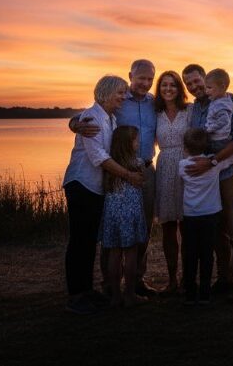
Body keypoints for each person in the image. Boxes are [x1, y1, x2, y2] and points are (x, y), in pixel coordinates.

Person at [70, 59, 158, 297]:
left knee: (143, 227)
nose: (146, 83)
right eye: (141, 78)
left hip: (146, 170)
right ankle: (109, 286)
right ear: (131, 76)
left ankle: (136, 281)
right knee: (111, 229)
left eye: (150, 78)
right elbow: (90, 113)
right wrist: (74, 123)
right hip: (116, 172)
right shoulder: (118, 100)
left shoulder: (155, 103)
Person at [62, 75, 142, 315]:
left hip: (96, 187)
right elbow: (98, 157)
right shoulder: (91, 117)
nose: (124, 97)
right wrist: (129, 176)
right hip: (81, 183)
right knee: (79, 241)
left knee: (89, 241)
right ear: (106, 92)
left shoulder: (111, 119)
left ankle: (86, 290)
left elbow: (115, 151)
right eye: (120, 92)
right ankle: (76, 296)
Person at [181, 64, 233, 302]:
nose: (193, 86)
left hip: (230, 171)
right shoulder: (193, 110)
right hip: (207, 177)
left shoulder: (231, 100)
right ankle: (224, 280)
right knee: (216, 232)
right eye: (188, 84)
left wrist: (212, 162)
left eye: (196, 81)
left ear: (205, 78)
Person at [153, 70, 192, 295]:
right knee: (168, 226)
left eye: (173, 85)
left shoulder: (190, 111)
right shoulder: (154, 112)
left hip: (186, 166)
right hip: (165, 164)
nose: (168, 89)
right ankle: (172, 279)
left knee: (187, 225)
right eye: (164, 85)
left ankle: (188, 278)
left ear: (179, 89)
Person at [100, 125, 148, 308]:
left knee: (114, 253)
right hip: (130, 213)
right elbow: (141, 183)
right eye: (136, 140)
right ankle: (129, 295)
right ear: (128, 144)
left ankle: (115, 296)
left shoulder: (110, 165)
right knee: (131, 253)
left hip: (113, 213)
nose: (138, 143)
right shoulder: (137, 164)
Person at [178, 128, 221, 305]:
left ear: (185, 148)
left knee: (190, 253)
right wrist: (212, 159)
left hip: (190, 215)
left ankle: (189, 292)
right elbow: (231, 157)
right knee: (207, 254)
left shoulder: (182, 165)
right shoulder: (214, 165)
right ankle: (205, 292)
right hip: (210, 214)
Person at [204, 68, 233, 147]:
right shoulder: (220, 100)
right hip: (218, 137)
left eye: (209, 88)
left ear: (222, 87)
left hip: (219, 139)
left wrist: (210, 129)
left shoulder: (221, 105)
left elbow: (224, 120)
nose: (206, 91)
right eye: (206, 88)